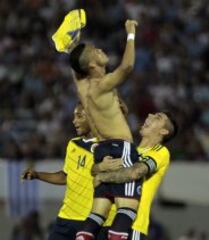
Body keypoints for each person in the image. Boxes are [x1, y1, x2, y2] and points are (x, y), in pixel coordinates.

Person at [69, 19, 140, 240]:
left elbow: (75, 65)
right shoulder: (102, 84)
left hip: (102, 151)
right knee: (127, 208)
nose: (100, 50)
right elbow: (127, 67)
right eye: (95, 51)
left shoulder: (83, 88)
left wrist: (71, 43)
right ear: (92, 65)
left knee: (99, 211)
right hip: (121, 149)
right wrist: (130, 33)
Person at [22, 104, 117, 240]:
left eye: (79, 116)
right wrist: (37, 175)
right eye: (74, 117)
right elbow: (64, 177)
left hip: (94, 220)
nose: (74, 121)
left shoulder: (109, 147)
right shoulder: (73, 144)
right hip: (66, 218)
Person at [93, 112, 178, 240]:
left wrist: (102, 177)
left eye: (158, 117)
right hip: (104, 222)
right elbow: (95, 172)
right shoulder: (128, 151)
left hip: (131, 226)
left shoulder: (160, 152)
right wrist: (99, 168)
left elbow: (135, 172)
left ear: (164, 131)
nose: (149, 115)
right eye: (152, 114)